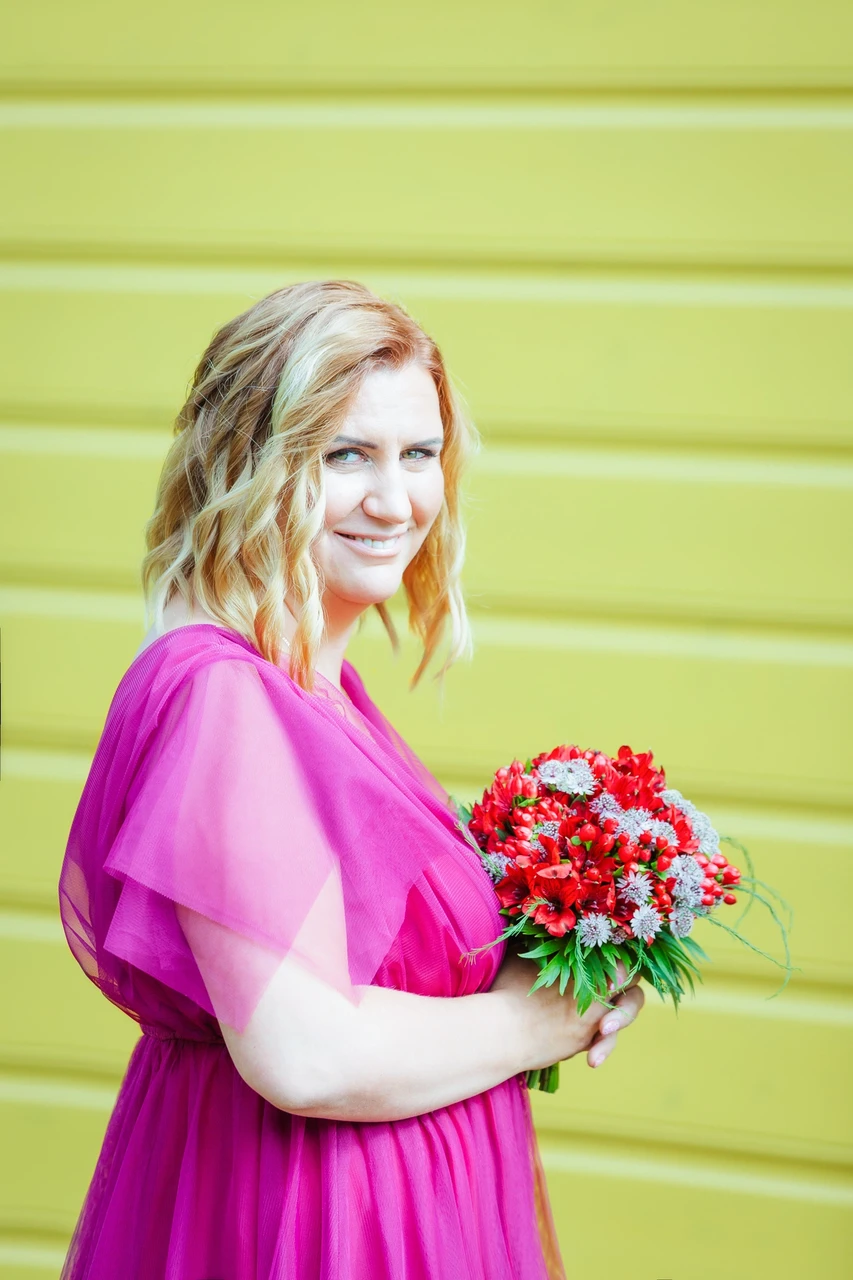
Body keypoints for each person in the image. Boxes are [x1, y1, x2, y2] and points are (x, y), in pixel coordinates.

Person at [58, 280, 645, 1279]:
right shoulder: (226, 696)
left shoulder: (315, 691)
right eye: (345, 455)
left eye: (419, 453)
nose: (395, 500)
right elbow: (305, 1053)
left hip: (395, 1197)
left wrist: (570, 955)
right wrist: (536, 1021)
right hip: (312, 1218)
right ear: (246, 463)